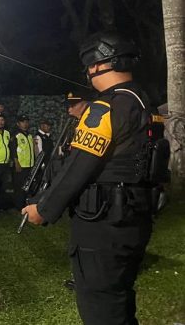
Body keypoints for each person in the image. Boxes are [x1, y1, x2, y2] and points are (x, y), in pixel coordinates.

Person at [22, 32, 163, 325]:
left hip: (103, 225)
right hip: (133, 217)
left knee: (100, 307)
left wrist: (44, 209)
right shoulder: (143, 103)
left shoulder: (104, 107)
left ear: (96, 65)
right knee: (119, 301)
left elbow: (79, 165)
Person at [10, 115, 35, 210]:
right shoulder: (16, 135)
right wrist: (16, 163)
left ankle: (25, 204)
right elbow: (13, 150)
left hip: (29, 165)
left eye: (26, 122)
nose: (25, 124)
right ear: (18, 124)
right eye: (22, 122)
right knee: (19, 187)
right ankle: (18, 206)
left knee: (27, 186)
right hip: (20, 165)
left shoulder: (29, 135)